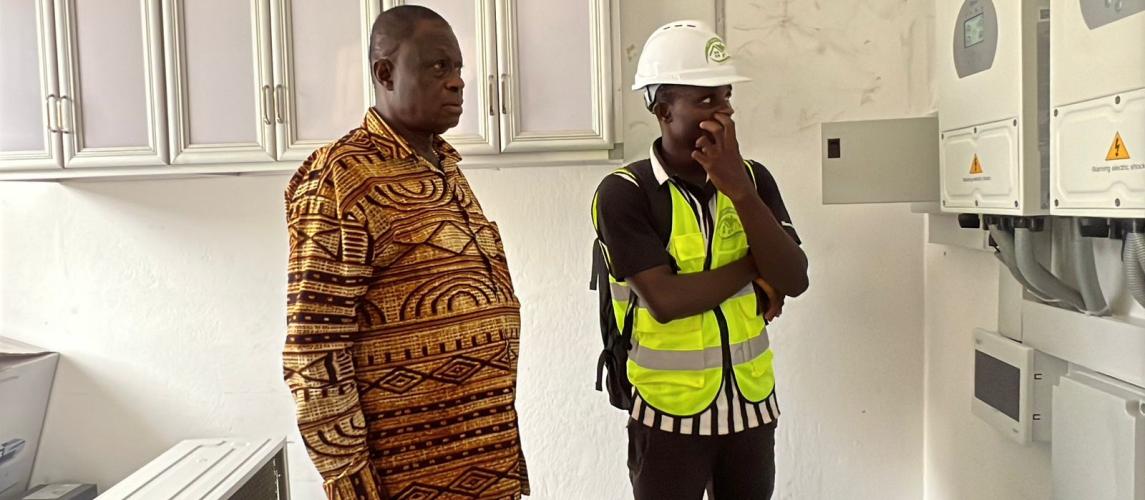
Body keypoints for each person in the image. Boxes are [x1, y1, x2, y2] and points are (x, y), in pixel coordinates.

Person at [283, 6, 528, 499]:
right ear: (385, 73)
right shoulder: (341, 177)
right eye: (438, 66)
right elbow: (314, 348)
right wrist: (351, 482)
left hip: (484, 465)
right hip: (404, 481)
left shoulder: (443, 165)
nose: (457, 82)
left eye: (458, 68)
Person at [592, 20, 808, 500]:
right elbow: (667, 301)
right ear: (664, 110)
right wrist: (755, 265)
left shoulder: (753, 179)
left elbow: (794, 278)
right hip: (667, 417)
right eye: (707, 100)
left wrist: (740, 191)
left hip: (751, 409)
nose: (724, 113)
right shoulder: (626, 193)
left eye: (727, 97)